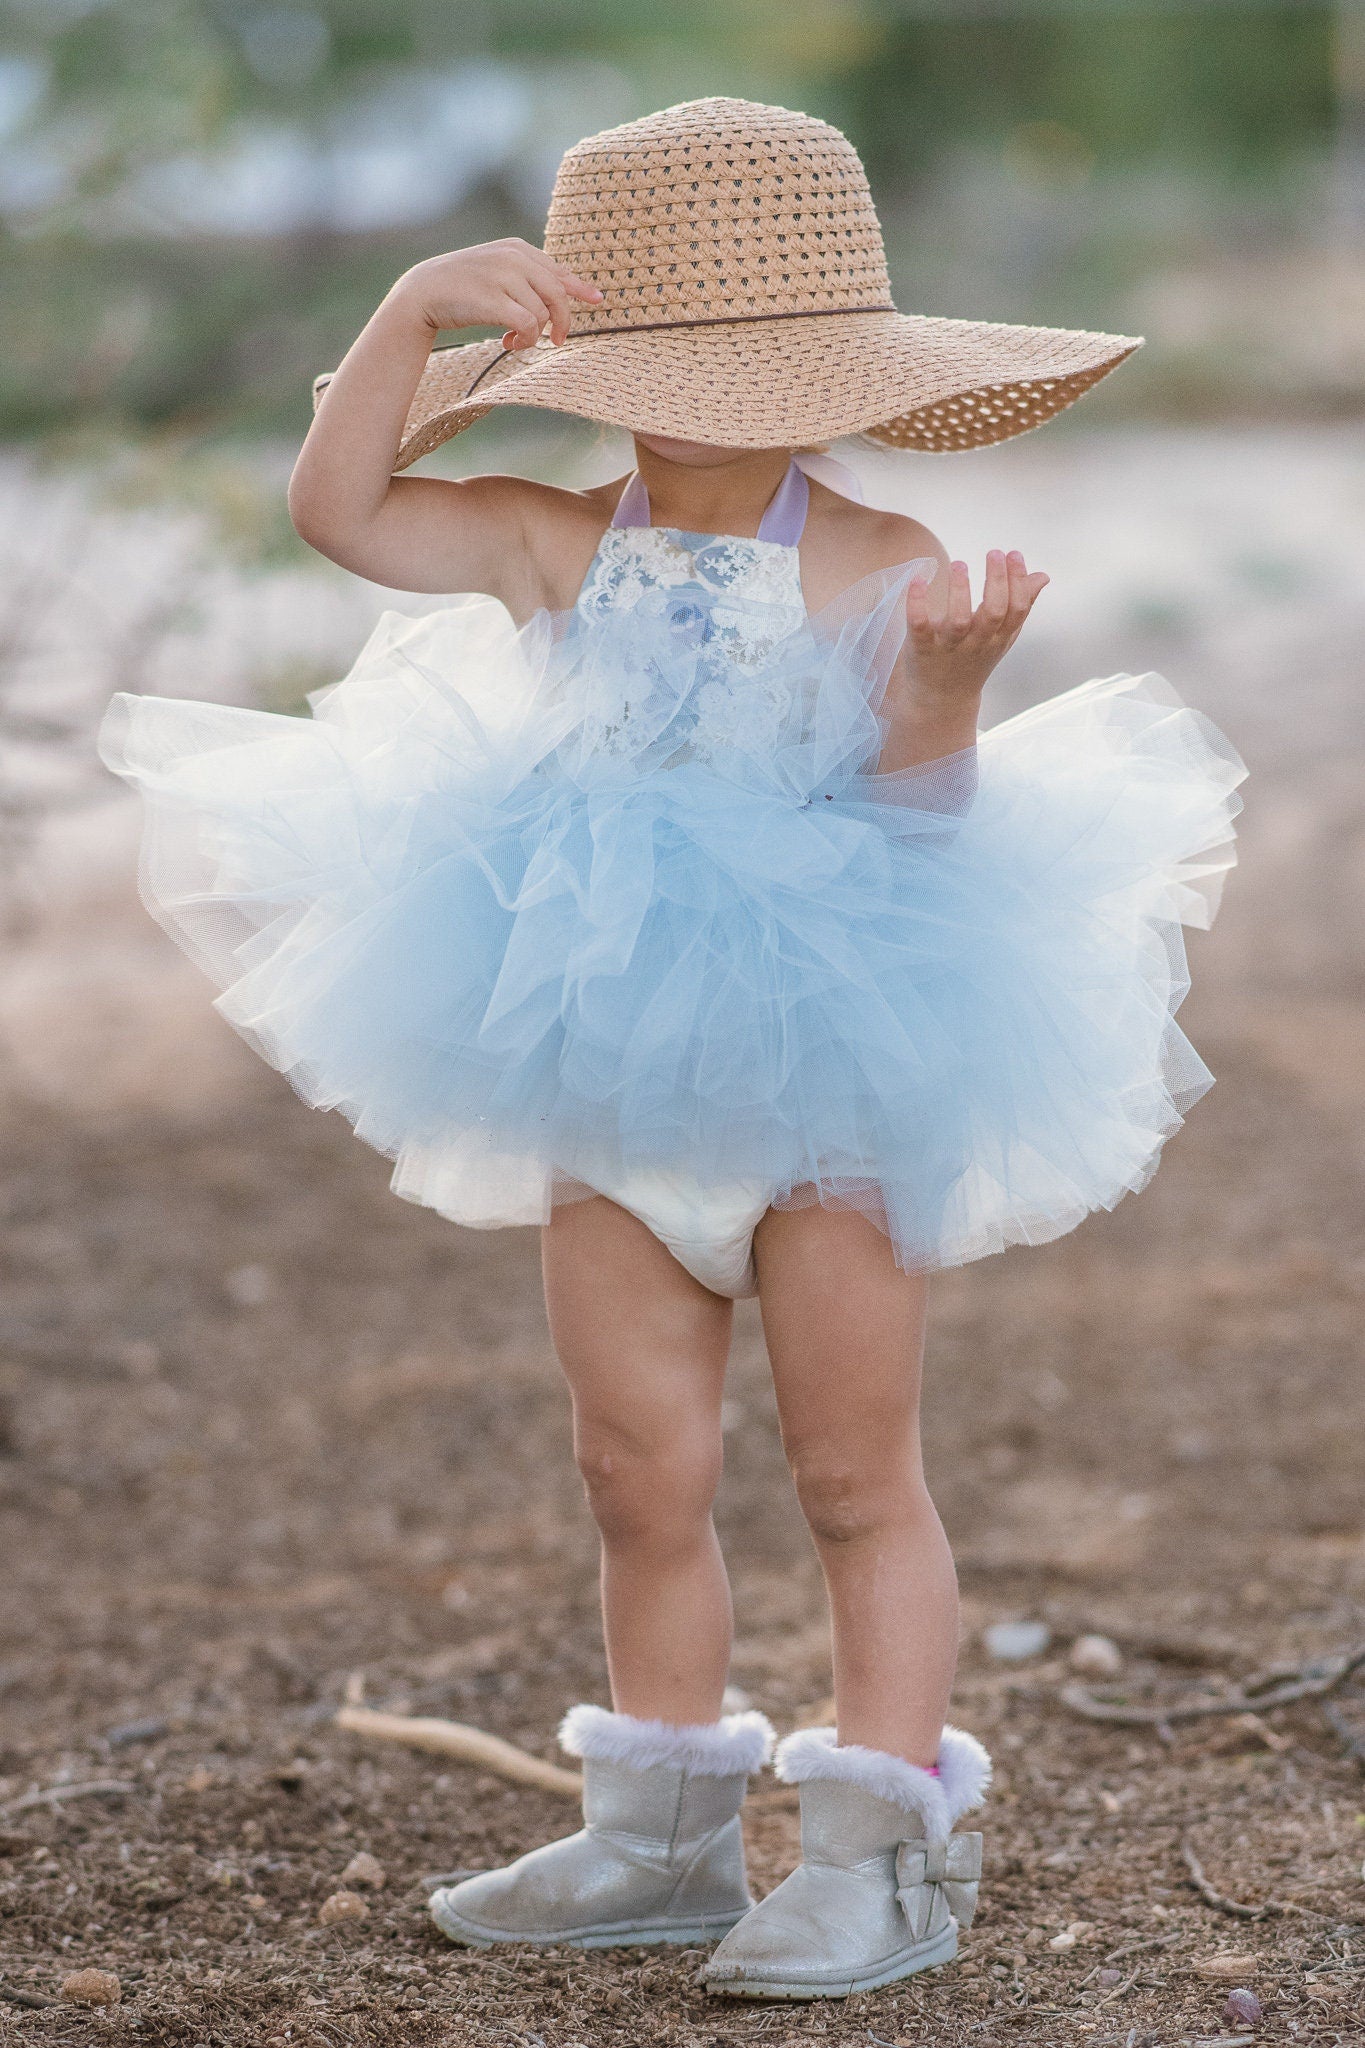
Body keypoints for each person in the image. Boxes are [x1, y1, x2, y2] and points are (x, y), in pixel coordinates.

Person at [99, 98, 1245, 2001]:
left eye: (760, 368)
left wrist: (941, 697)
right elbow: (340, 511)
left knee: (849, 1468)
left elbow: (914, 834)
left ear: (831, 378)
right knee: (632, 1462)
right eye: (660, 369)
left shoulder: (872, 549)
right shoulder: (559, 538)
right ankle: (657, 1836)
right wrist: (405, 316)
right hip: (609, 1065)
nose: (709, 405)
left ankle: (881, 1846)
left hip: (826, 1072)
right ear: (593, 375)